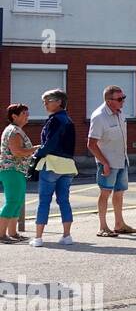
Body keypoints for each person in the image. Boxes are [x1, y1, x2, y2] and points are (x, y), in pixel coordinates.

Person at [87, 84, 136, 237]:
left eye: (123, 98)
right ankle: (102, 226)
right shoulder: (99, 116)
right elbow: (91, 144)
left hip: (121, 159)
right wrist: (104, 162)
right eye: (120, 98)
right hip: (107, 162)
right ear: (109, 101)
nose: (123, 101)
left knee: (119, 192)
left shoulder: (119, 113)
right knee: (105, 192)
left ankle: (119, 224)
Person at [29, 89, 77, 247]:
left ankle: (38, 238)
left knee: (44, 201)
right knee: (64, 200)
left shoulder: (55, 120)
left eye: (48, 101)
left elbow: (49, 143)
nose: (45, 104)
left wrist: (37, 153)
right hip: (68, 165)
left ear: (59, 102)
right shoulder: (69, 120)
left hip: (52, 164)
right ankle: (67, 236)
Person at [1, 104, 37, 243]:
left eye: (27, 113)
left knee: (17, 201)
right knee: (13, 201)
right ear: (14, 116)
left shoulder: (16, 130)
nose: (27, 116)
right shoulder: (14, 131)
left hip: (16, 170)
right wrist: (36, 148)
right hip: (12, 170)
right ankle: (1, 234)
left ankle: (13, 233)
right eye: (24, 114)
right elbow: (17, 152)